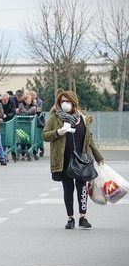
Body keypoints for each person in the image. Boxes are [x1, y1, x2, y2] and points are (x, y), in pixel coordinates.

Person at [42, 90, 104, 229]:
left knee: (82, 188)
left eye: (67, 101)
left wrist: (98, 156)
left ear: (73, 102)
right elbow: (45, 135)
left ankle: (83, 217)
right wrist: (58, 132)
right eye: (62, 101)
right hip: (63, 159)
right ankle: (70, 218)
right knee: (68, 188)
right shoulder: (55, 118)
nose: (65, 104)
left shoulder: (82, 118)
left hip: (82, 159)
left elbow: (90, 139)